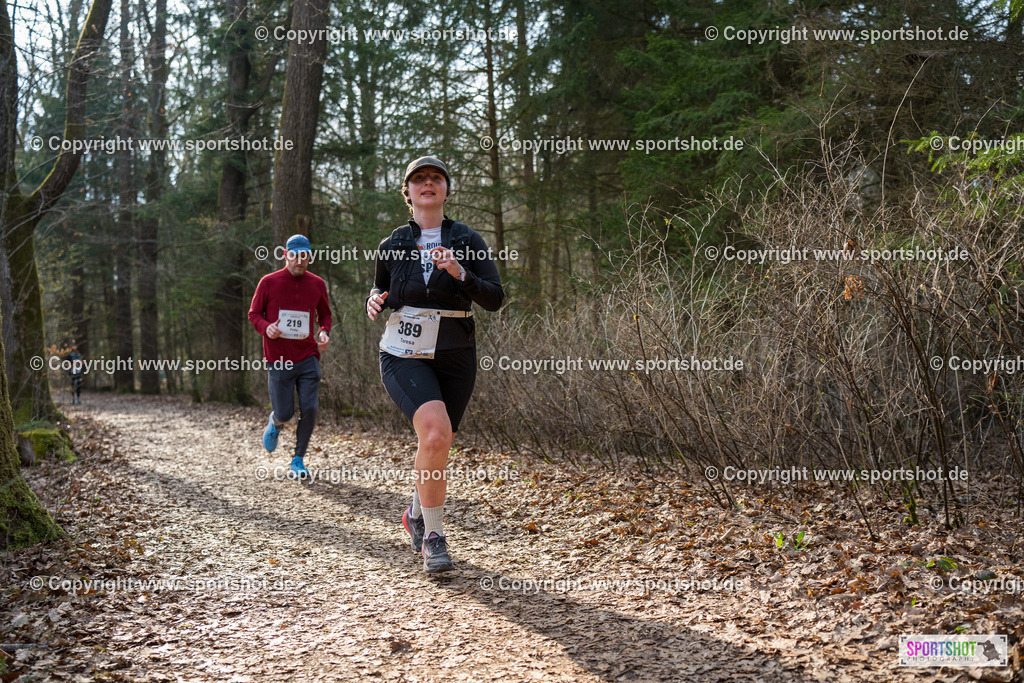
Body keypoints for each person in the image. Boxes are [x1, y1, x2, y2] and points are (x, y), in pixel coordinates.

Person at [367, 156, 504, 572]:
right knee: (434, 431)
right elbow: (382, 289)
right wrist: (374, 299)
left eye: (436, 178)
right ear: (407, 193)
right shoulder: (391, 245)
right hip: (402, 353)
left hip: (455, 353)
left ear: (446, 189)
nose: (428, 183)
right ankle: (434, 537)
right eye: (419, 179)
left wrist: (461, 273)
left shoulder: (467, 239)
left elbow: (495, 299)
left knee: (437, 444)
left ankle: (414, 513)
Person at [249, 233, 332, 479]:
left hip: (308, 356)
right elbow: (254, 314)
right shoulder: (268, 282)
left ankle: (298, 460)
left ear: (309, 257)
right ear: (286, 255)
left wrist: (324, 332)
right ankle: (276, 422)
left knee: (310, 407)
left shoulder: (317, 283)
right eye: (295, 256)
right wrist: (267, 328)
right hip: (279, 358)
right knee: (285, 413)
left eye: (304, 256)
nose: (300, 261)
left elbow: (325, 315)